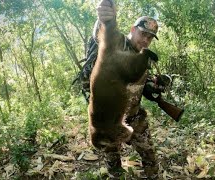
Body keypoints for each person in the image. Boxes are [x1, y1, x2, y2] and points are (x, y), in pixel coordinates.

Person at [72, 0, 170, 179]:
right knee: (114, 164)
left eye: (150, 38)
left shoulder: (143, 58)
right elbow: (102, 36)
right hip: (107, 120)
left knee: (150, 158)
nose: (146, 40)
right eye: (143, 34)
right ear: (133, 30)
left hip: (135, 117)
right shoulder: (118, 45)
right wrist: (105, 18)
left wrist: (155, 86)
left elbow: (142, 87)